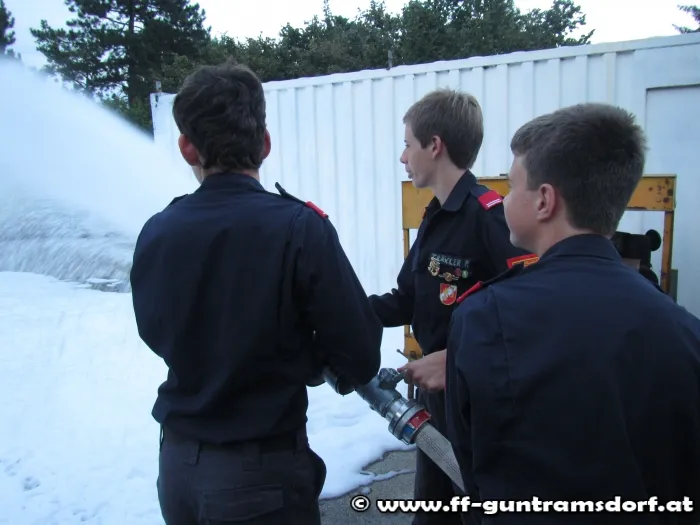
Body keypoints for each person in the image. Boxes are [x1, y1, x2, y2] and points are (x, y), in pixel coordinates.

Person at [130, 61, 383, 525]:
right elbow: (360, 355)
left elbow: (155, 332)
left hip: (178, 471)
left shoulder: (158, 230)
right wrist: (304, 358)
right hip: (259, 478)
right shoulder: (300, 227)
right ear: (264, 143)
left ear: (187, 148)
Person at [445, 102, 700, 524]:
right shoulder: (684, 330)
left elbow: (472, 471)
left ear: (545, 200)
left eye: (512, 186)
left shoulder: (484, 319)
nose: (505, 199)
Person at [368, 88, 537, 525]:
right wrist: (346, 311)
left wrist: (456, 359)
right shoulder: (435, 217)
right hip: (437, 396)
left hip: (478, 403)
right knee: (432, 508)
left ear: (435, 145)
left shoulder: (489, 215)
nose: (403, 157)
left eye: (408, 144)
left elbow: (529, 311)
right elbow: (408, 300)